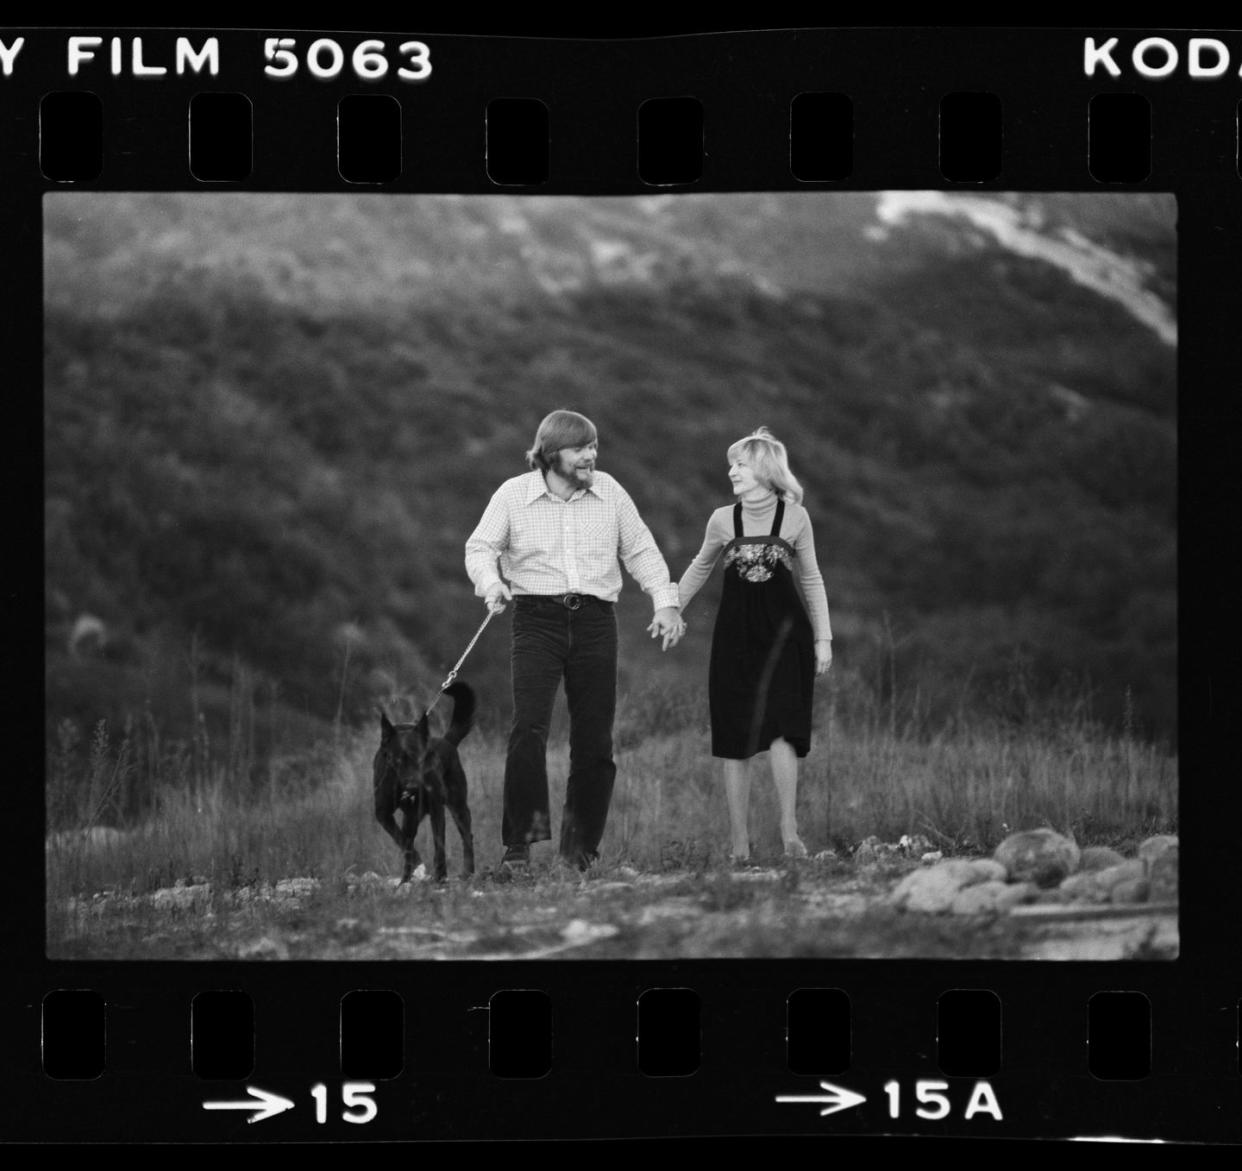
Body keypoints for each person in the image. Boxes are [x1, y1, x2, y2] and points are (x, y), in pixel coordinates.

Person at [465, 409, 682, 873]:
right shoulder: (512, 495)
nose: (591, 456)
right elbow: (480, 548)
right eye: (581, 449)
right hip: (535, 619)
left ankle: (578, 854)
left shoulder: (611, 493)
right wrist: (491, 583)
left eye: (594, 447)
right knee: (529, 730)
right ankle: (518, 850)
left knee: (594, 740)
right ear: (550, 454)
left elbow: (640, 548)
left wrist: (665, 602)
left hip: (597, 622)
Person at [675, 427, 832, 864]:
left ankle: (789, 832)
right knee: (735, 736)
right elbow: (698, 567)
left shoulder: (795, 518)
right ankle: (739, 845)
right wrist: (670, 608)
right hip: (735, 640)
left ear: (764, 470)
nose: (732, 472)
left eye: (740, 465)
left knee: (784, 727)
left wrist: (823, 638)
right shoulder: (722, 519)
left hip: (787, 638)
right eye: (733, 465)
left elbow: (812, 578)